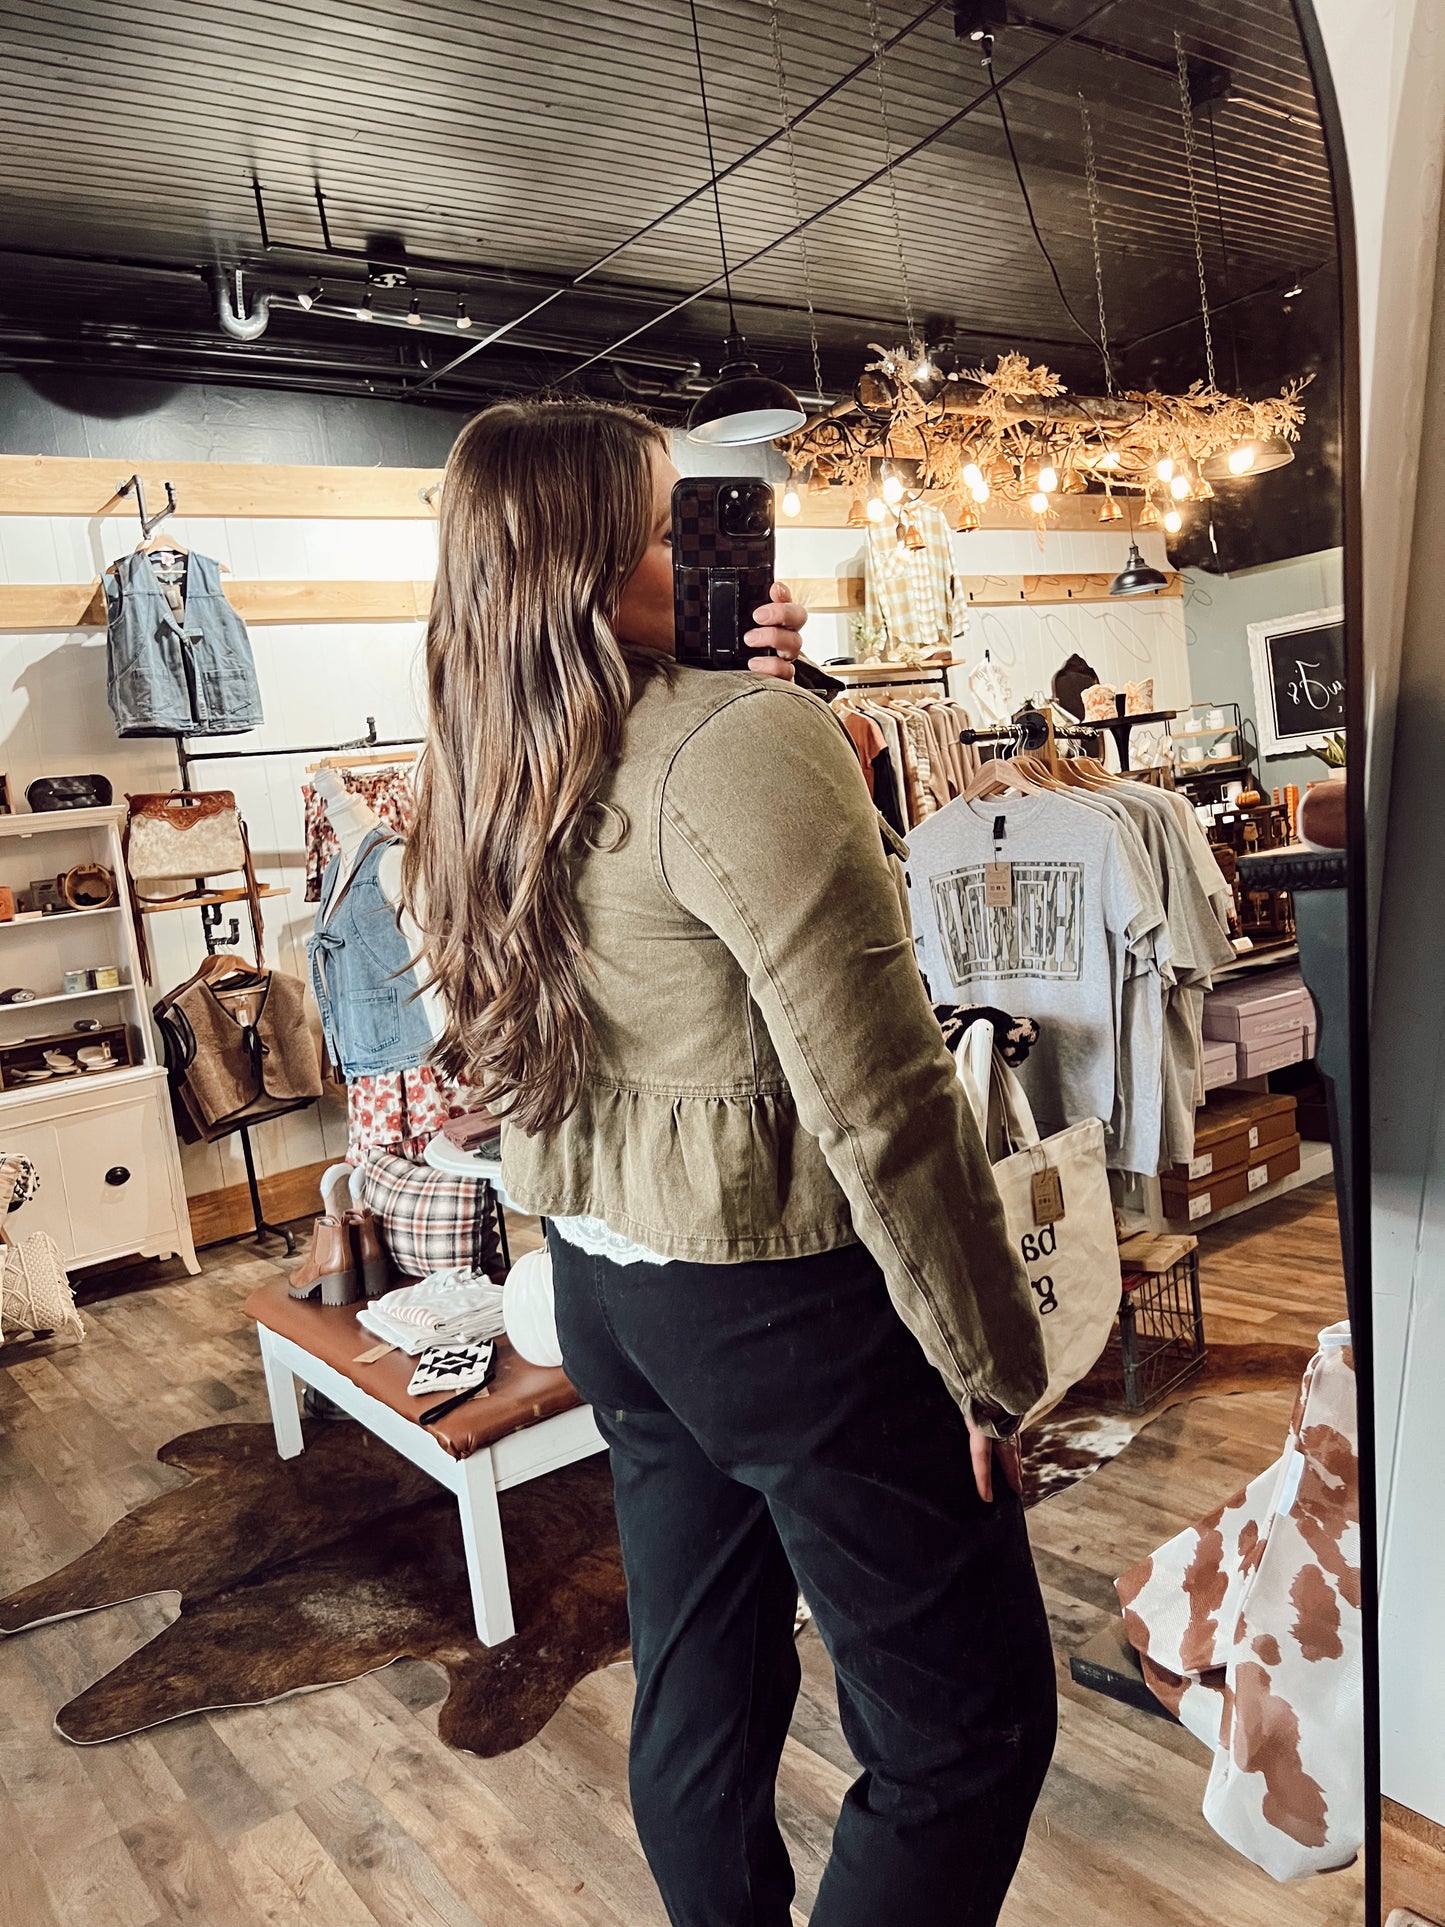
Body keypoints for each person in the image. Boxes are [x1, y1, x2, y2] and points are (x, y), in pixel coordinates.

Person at [405, 398, 1057, 1927]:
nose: (712, 545)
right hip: (788, 1305)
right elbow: (880, 1090)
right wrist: (986, 1360)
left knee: (700, 1692)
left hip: (614, 1301)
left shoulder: (483, 768)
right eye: (667, 526)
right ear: (580, 572)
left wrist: (760, 700)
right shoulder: (738, 741)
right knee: (966, 1735)